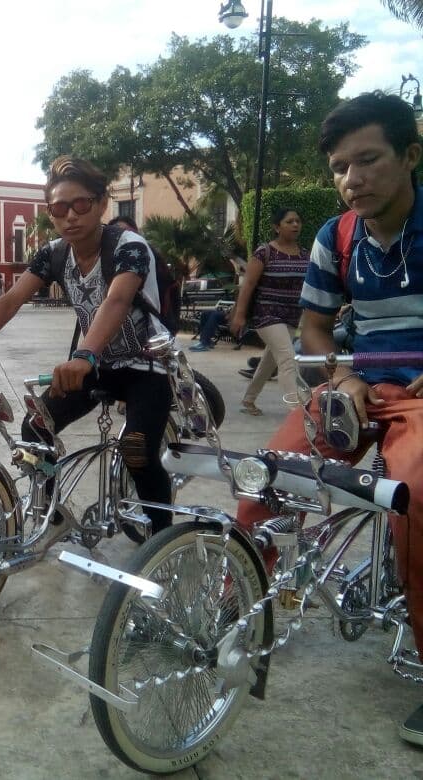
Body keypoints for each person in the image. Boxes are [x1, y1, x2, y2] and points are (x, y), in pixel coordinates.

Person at [236, 92, 423, 747]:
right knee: (269, 476)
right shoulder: (335, 236)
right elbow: (314, 326)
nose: (352, 179)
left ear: (410, 155)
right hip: (358, 385)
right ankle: (235, 598)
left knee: (415, 495)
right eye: (341, 167)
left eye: (368, 160)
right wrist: (340, 375)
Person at [0, 156, 174, 533]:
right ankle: (52, 515)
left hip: (146, 366)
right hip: (98, 366)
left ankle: (162, 538)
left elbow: (117, 300)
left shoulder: (129, 246)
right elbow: (11, 299)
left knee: (137, 448)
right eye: (59, 208)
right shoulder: (54, 253)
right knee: (36, 429)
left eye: (81, 204)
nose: (70, 216)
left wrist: (84, 354)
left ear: (101, 203)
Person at [229, 206, 310, 415]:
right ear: (277, 227)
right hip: (267, 314)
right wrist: (239, 315)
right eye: (289, 221)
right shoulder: (264, 252)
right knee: (287, 358)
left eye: (297, 221)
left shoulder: (305, 255)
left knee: (270, 360)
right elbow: (248, 285)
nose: (295, 225)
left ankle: (249, 400)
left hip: (292, 315)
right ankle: (298, 411)